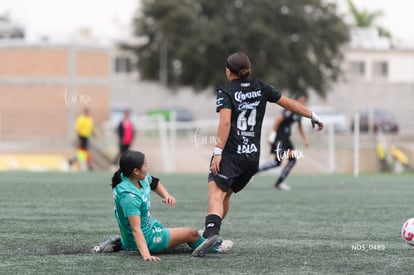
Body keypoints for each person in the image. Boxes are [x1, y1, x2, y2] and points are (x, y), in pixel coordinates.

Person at [191, 52, 324, 257]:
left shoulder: (225, 91)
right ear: (249, 70)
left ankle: (211, 234)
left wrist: (217, 152)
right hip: (251, 159)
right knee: (225, 194)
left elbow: (225, 122)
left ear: (228, 71)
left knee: (216, 194)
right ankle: (212, 233)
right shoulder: (261, 87)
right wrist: (313, 115)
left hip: (231, 154)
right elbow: (288, 103)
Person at [97, 150, 233, 261]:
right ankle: (215, 247)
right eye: (145, 165)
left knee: (174, 236)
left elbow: (154, 183)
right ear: (135, 171)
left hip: (148, 227)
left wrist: (166, 195)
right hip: (146, 238)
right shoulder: (129, 196)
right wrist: (146, 255)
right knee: (191, 233)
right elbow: (136, 229)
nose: (147, 167)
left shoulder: (130, 176)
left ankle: (120, 243)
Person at [257, 94, 309, 190]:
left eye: (304, 101)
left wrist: (304, 139)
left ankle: (254, 172)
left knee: (279, 162)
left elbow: (300, 126)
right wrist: (272, 136)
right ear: (296, 100)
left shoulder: (299, 112)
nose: (303, 103)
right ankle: (277, 182)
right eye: (301, 101)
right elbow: (277, 120)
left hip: (286, 139)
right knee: (290, 158)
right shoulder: (290, 110)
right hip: (280, 139)